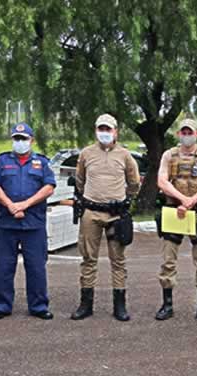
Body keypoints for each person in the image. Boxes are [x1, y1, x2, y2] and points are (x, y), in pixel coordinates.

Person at [70, 114, 140, 321]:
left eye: (108, 129)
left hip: (115, 213)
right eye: (101, 129)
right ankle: (86, 304)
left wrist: (125, 200)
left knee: (117, 259)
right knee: (88, 258)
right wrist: (87, 197)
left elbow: (134, 182)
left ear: (115, 131)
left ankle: (120, 305)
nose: (105, 133)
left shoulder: (125, 155)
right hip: (91, 211)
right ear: (95, 131)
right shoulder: (86, 154)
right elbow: (80, 180)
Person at [0, 123, 57, 320]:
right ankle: (1, 306)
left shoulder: (41, 163)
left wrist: (24, 204)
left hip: (33, 223)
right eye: (16, 138)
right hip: (7, 223)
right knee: (4, 267)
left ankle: (39, 306)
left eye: (23, 139)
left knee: (36, 267)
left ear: (31, 140)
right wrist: (10, 205)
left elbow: (49, 187)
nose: (20, 142)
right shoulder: (1, 161)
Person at [154, 118, 197, 322]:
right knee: (168, 261)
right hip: (174, 211)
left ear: (196, 134)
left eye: (190, 132)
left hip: (196, 212)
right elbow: (162, 181)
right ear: (178, 134)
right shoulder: (168, 155)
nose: (186, 135)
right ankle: (167, 305)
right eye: (183, 132)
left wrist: (190, 202)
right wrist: (182, 200)